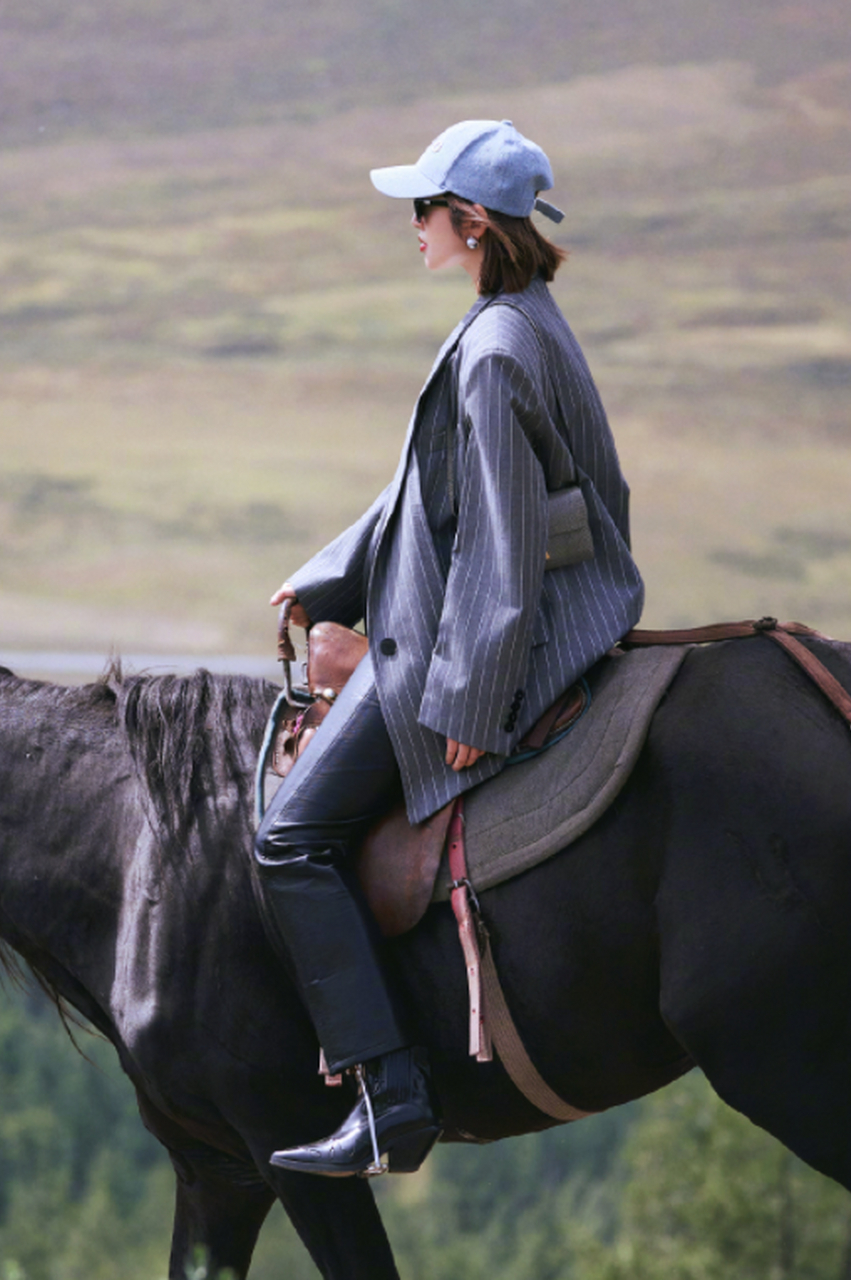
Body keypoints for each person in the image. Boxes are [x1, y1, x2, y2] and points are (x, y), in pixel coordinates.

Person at [257, 119, 646, 1177]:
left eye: (421, 210)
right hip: (468, 619)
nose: (411, 227)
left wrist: (468, 705)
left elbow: (504, 542)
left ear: (471, 223)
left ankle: (390, 1098)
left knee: (287, 839)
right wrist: (333, 572)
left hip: (466, 649)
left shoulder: (493, 351)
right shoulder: (514, 318)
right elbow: (420, 494)